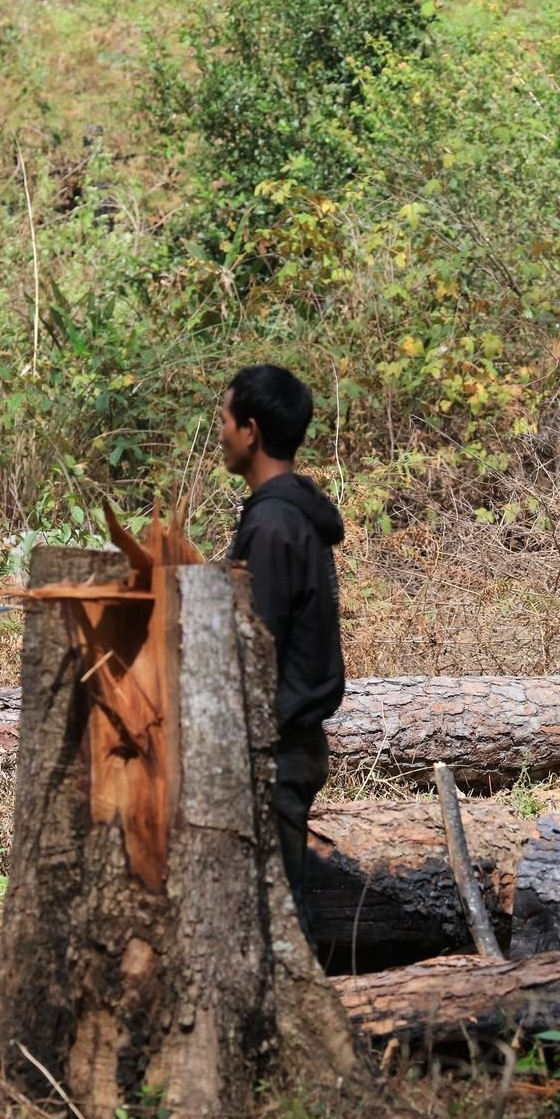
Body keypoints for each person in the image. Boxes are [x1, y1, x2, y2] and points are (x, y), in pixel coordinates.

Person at [220, 364, 346, 919]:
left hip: (276, 748)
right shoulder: (290, 515)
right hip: (289, 743)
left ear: (250, 430)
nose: (219, 433)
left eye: (224, 419)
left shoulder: (273, 526)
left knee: (272, 923)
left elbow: (255, 647)